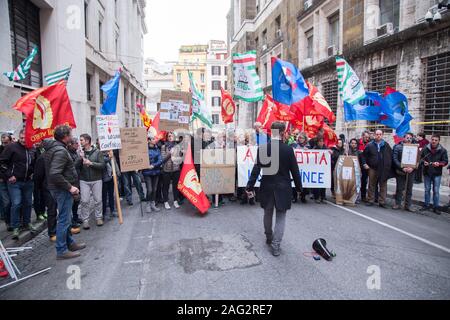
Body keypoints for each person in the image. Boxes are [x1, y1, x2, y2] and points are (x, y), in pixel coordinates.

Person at [247, 122, 302, 257]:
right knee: (281, 217)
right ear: (283, 133)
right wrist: (299, 187)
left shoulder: (263, 148)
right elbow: (295, 171)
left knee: (267, 213)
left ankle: (269, 237)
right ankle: (276, 245)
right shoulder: (288, 150)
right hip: (283, 187)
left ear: (272, 132)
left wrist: (249, 186)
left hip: (267, 186)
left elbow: (256, 169)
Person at [44, 126, 86, 260]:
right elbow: (55, 173)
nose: (72, 136)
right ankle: (61, 250)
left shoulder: (54, 148)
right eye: (70, 134)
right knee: (64, 219)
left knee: (65, 218)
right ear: (65, 137)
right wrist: (70, 187)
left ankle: (70, 243)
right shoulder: (60, 151)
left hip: (57, 188)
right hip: (61, 189)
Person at [0, 130, 37, 240]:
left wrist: (33, 172)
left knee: (28, 203)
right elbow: (2, 163)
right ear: (18, 137)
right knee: (16, 203)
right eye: (21, 138)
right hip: (15, 182)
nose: (23, 140)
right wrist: (9, 175)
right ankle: (15, 227)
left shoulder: (32, 148)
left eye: (25, 138)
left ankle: (27, 223)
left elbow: (35, 163)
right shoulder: (11, 147)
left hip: (28, 181)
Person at [78, 134, 105, 229]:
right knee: (84, 201)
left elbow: (102, 165)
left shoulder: (97, 152)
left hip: (96, 179)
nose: (80, 142)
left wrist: (91, 163)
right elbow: (76, 166)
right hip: (84, 180)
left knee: (98, 200)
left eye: (81, 140)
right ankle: (85, 220)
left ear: (87, 141)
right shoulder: (80, 152)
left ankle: (98, 217)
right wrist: (80, 158)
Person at [34, 140, 58, 241]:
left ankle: (62, 229)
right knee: (52, 210)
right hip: (47, 188)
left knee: (60, 209)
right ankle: (52, 233)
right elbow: (38, 176)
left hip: (57, 186)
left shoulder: (56, 156)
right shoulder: (42, 158)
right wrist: (39, 189)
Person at [362, 130, 393, 208]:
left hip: (383, 168)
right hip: (372, 167)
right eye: (377, 134)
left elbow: (390, 156)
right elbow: (363, 156)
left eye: (380, 134)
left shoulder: (386, 145)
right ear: (374, 135)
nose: (378, 135)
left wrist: (388, 167)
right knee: (371, 184)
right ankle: (370, 200)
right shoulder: (369, 145)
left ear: (382, 135)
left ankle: (382, 202)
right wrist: (364, 163)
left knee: (383, 185)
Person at [421, 134, 448, 214]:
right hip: (427, 172)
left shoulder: (443, 150)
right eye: (432, 139)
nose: (434, 141)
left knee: (436, 191)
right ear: (430, 140)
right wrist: (423, 162)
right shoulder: (425, 148)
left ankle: (436, 207)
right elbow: (420, 158)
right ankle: (426, 205)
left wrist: (439, 163)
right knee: (427, 190)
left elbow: (445, 161)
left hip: (437, 173)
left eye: (436, 140)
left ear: (439, 141)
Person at [392, 133, 416, 212]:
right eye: (407, 137)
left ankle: (407, 205)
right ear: (404, 138)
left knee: (409, 188)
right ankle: (397, 203)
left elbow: (418, 159)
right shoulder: (398, 147)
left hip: (411, 171)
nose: (409, 139)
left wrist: (412, 167)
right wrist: (402, 167)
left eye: (410, 138)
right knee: (399, 188)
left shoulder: (415, 147)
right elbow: (395, 159)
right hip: (401, 170)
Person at [161, 132, 184, 210]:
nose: (171, 137)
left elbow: (181, 158)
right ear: (167, 137)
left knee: (176, 186)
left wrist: (181, 153)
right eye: (169, 136)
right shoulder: (164, 147)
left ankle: (175, 200)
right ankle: (166, 201)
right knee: (166, 186)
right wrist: (170, 154)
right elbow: (163, 159)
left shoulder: (178, 146)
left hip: (176, 169)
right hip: (166, 169)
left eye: (172, 136)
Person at [142, 135, 163, 213]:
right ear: (149, 140)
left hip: (156, 171)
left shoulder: (157, 149)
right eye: (153, 139)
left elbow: (160, 160)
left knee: (154, 189)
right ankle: (148, 204)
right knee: (149, 189)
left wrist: (153, 165)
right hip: (147, 172)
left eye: (155, 139)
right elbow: (142, 159)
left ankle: (152, 204)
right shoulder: (144, 149)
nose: (155, 140)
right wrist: (146, 165)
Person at [67, 138, 82, 231]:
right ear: (71, 144)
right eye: (76, 143)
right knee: (72, 202)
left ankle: (76, 217)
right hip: (71, 180)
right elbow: (72, 166)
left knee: (77, 201)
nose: (78, 145)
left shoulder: (76, 152)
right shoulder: (68, 153)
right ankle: (71, 221)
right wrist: (80, 158)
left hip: (77, 179)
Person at [0, 133, 12, 231]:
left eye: (6, 143)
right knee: (7, 202)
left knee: (15, 202)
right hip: (2, 181)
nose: (4, 145)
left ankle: (15, 221)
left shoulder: (12, 149)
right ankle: (8, 222)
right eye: (3, 143)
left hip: (11, 180)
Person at [102, 151, 118, 219]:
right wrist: (109, 157)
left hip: (110, 177)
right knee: (104, 197)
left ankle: (112, 210)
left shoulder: (110, 154)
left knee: (111, 195)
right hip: (103, 179)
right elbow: (103, 161)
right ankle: (104, 213)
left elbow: (114, 164)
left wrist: (116, 173)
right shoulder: (99, 154)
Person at [312, 137, 328, 203]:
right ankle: (316, 197)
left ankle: (323, 197)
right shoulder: (314, 149)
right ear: (317, 142)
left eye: (322, 141)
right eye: (320, 141)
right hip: (316, 168)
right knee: (317, 185)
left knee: (323, 184)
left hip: (323, 169)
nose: (321, 143)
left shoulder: (325, 149)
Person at [358, 131, 371, 202]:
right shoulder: (357, 142)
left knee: (364, 181)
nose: (367, 138)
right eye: (366, 137)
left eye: (368, 137)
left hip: (365, 165)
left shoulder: (369, 144)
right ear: (362, 136)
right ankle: (355, 195)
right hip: (358, 164)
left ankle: (363, 196)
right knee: (357, 181)